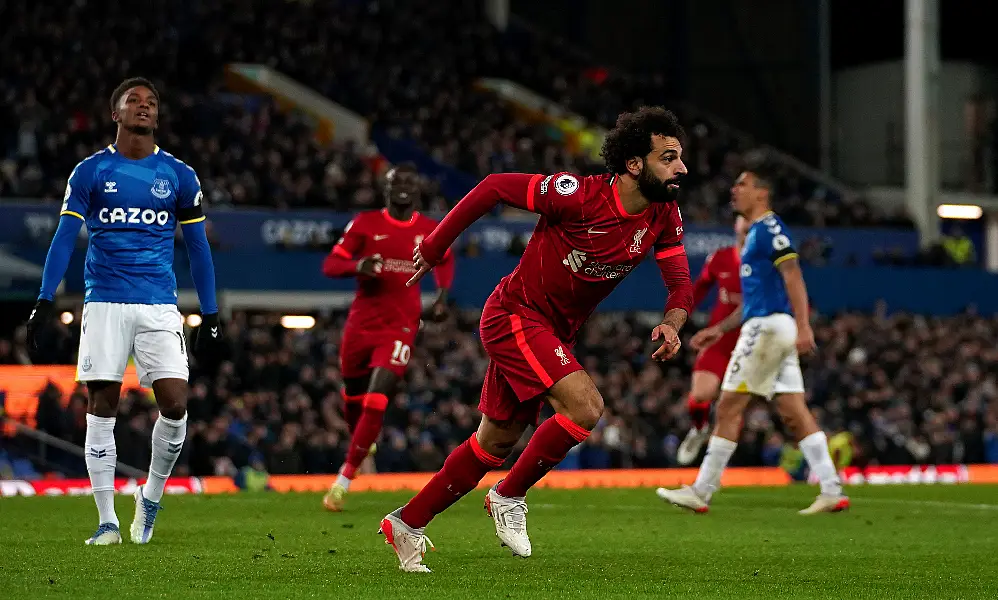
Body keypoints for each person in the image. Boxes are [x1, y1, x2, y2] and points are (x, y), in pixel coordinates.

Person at [378, 107, 694, 572]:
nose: (681, 168)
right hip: (514, 315)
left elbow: (680, 283)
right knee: (586, 407)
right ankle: (508, 495)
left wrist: (673, 322)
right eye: (668, 158)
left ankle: (408, 522)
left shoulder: (664, 214)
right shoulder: (577, 196)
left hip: (550, 331)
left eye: (680, 158)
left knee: (495, 442)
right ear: (633, 165)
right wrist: (434, 244)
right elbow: (492, 187)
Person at [24, 77, 224, 545]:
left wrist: (211, 313)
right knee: (103, 407)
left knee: (175, 406)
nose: (144, 107)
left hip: (159, 303)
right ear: (116, 114)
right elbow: (63, 239)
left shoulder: (180, 175)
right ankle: (107, 521)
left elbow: (197, 248)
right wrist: (44, 299)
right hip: (105, 301)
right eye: (134, 101)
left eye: (151, 102)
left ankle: (149, 496)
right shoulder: (90, 172)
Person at [656, 161, 849, 515]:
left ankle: (700, 491)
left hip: (768, 329)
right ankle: (832, 488)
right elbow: (752, 300)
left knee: (729, 406)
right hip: (770, 325)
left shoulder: (770, 229)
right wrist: (718, 329)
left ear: (761, 192)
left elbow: (793, 276)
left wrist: (805, 325)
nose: (734, 190)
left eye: (742, 184)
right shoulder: (755, 237)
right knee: (793, 411)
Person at [320, 163, 454, 511]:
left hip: (401, 326)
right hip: (361, 325)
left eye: (409, 182)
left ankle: (342, 481)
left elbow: (446, 258)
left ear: (417, 190)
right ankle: (363, 444)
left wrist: (441, 296)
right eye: (397, 183)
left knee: (377, 398)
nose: (403, 188)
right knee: (353, 396)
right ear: (387, 188)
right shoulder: (365, 224)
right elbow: (331, 265)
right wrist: (357, 265)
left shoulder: (428, 229)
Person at [676, 215, 750, 465]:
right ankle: (699, 429)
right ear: (736, 226)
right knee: (700, 395)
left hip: (752, 342)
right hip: (720, 339)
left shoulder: (765, 263)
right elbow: (700, 289)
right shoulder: (720, 258)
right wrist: (679, 318)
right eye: (743, 221)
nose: (747, 226)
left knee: (732, 408)